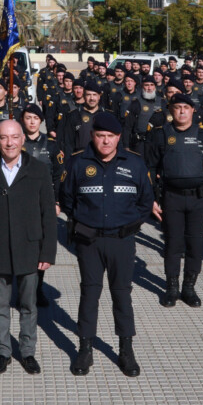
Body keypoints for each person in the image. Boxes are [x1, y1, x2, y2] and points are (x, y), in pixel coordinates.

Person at [60, 111, 155, 378]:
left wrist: (129, 224)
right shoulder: (78, 163)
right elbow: (67, 199)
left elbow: (146, 201)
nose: (105, 141)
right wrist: (82, 221)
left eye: (110, 137)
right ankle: (85, 348)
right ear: (92, 136)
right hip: (89, 241)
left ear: (118, 138)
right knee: (89, 294)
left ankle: (126, 350)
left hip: (121, 241)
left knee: (121, 295)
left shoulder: (134, 164)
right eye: (100, 136)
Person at [0, 119, 57, 375]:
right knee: (0, 305)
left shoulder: (39, 169)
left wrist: (48, 251)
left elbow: (48, 216)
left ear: (23, 139)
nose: (9, 143)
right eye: (4, 138)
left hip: (30, 247)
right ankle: (2, 351)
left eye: (14, 137)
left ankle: (27, 351)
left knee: (29, 304)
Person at [144, 93, 203, 308]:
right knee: (172, 244)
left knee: (195, 244)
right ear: (170, 110)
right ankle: (171, 288)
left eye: (185, 107)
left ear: (193, 110)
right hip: (171, 197)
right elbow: (150, 167)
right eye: (177, 107)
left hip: (200, 198)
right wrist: (151, 198)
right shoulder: (161, 135)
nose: (181, 111)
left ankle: (189, 288)